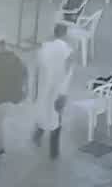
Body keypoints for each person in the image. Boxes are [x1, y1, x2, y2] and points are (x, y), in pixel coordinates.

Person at [31, 24, 74, 159]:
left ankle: (37, 136)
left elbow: (38, 69)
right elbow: (69, 67)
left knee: (44, 113)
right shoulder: (65, 48)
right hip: (59, 90)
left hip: (45, 88)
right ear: (64, 34)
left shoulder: (44, 47)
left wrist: (35, 89)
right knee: (56, 119)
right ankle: (54, 151)